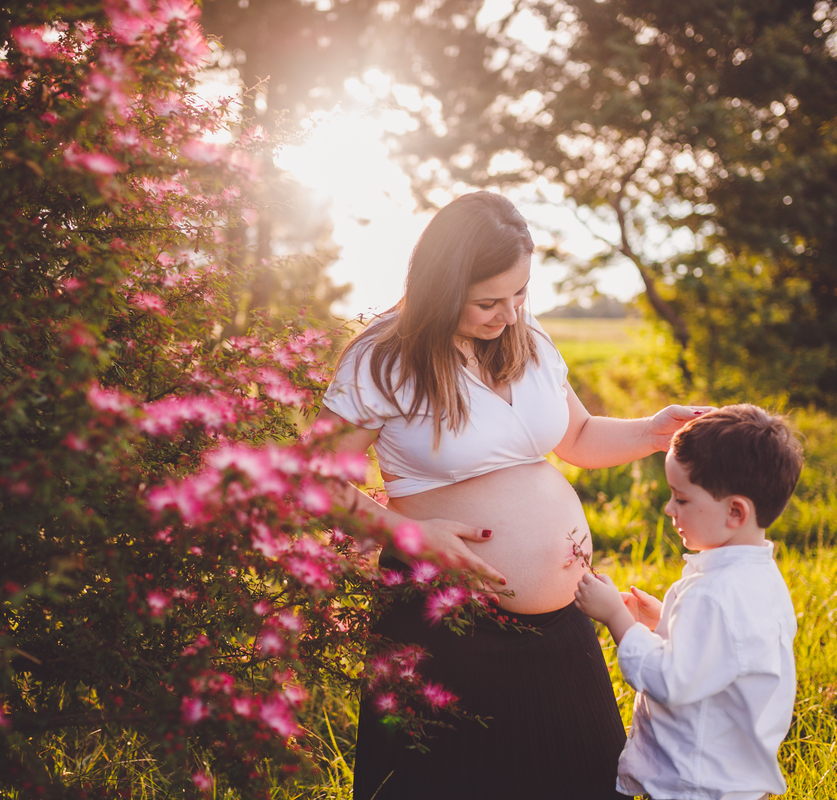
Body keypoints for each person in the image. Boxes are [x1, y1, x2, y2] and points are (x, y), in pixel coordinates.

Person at [315, 191, 709, 800]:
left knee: (581, 779)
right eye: (488, 301)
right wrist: (408, 535)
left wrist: (651, 432)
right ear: (441, 285)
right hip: (445, 616)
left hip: (566, 617)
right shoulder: (384, 357)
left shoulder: (527, 339)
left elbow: (576, 436)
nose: (509, 312)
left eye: (521, 293)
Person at [573, 404, 803, 800]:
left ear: (735, 511)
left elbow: (671, 680)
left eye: (681, 498)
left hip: (695, 784)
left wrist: (615, 617)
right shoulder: (759, 578)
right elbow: (726, 653)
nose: (668, 509)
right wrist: (664, 621)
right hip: (728, 778)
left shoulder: (715, 595)